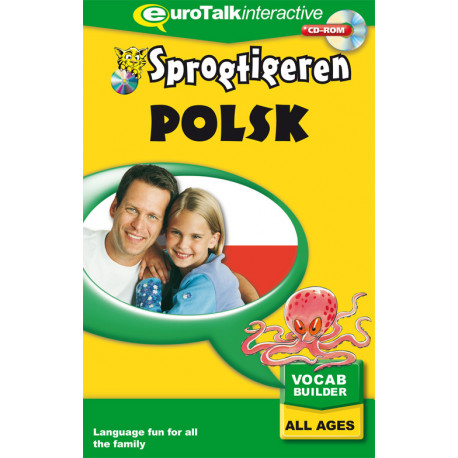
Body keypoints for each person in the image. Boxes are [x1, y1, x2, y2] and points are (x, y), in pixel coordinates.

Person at [84, 164, 259, 305]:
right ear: (114, 207)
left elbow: (224, 278)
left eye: (153, 216)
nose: (138, 225)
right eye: (132, 210)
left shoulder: (167, 267)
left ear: (163, 227)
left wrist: (256, 314)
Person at [137, 188, 244, 314]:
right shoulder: (178, 261)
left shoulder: (206, 283)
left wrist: (149, 284)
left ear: (213, 240)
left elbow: (155, 326)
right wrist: (150, 248)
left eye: (196, 236)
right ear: (165, 230)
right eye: (176, 232)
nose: (183, 245)